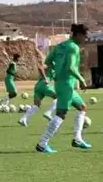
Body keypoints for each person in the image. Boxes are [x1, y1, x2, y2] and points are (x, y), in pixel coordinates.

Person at [37, 24, 92, 152]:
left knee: (82, 107)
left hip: (62, 84)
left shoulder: (60, 46)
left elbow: (48, 62)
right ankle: (42, 143)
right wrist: (82, 79)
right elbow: (71, 68)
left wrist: (56, 71)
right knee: (61, 114)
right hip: (66, 84)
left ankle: (77, 139)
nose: (86, 39)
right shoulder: (73, 47)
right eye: (85, 36)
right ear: (78, 35)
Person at [19, 48, 57, 127]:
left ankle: (23, 119)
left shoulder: (55, 67)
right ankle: (49, 112)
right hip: (44, 85)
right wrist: (45, 78)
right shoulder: (51, 64)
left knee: (36, 105)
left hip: (38, 86)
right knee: (59, 97)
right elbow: (40, 67)